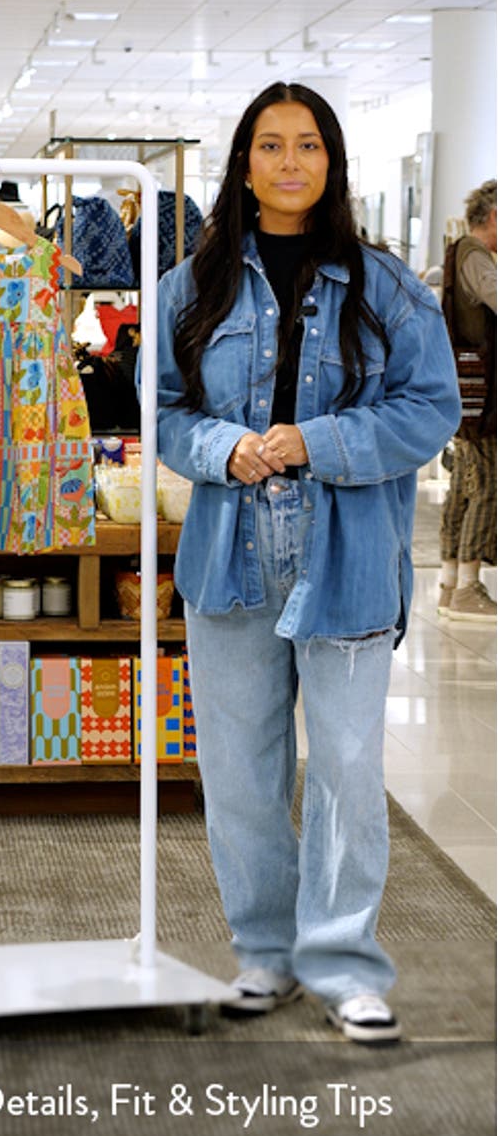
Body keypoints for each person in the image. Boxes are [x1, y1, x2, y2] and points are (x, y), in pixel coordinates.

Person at [151, 82, 460, 1044]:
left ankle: (343, 963)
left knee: (348, 767)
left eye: (310, 145)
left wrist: (314, 441)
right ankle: (265, 956)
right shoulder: (188, 287)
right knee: (240, 770)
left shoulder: (389, 286)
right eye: (272, 145)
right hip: (229, 556)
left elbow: (429, 411)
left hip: (348, 555)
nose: (291, 162)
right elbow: (160, 410)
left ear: (332, 163)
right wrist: (223, 450)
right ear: (244, 162)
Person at [438, 179, 497, 621]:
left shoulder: (460, 252)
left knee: (465, 483)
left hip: (465, 391)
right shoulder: (474, 256)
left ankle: (449, 583)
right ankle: (468, 588)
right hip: (481, 396)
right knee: (488, 485)